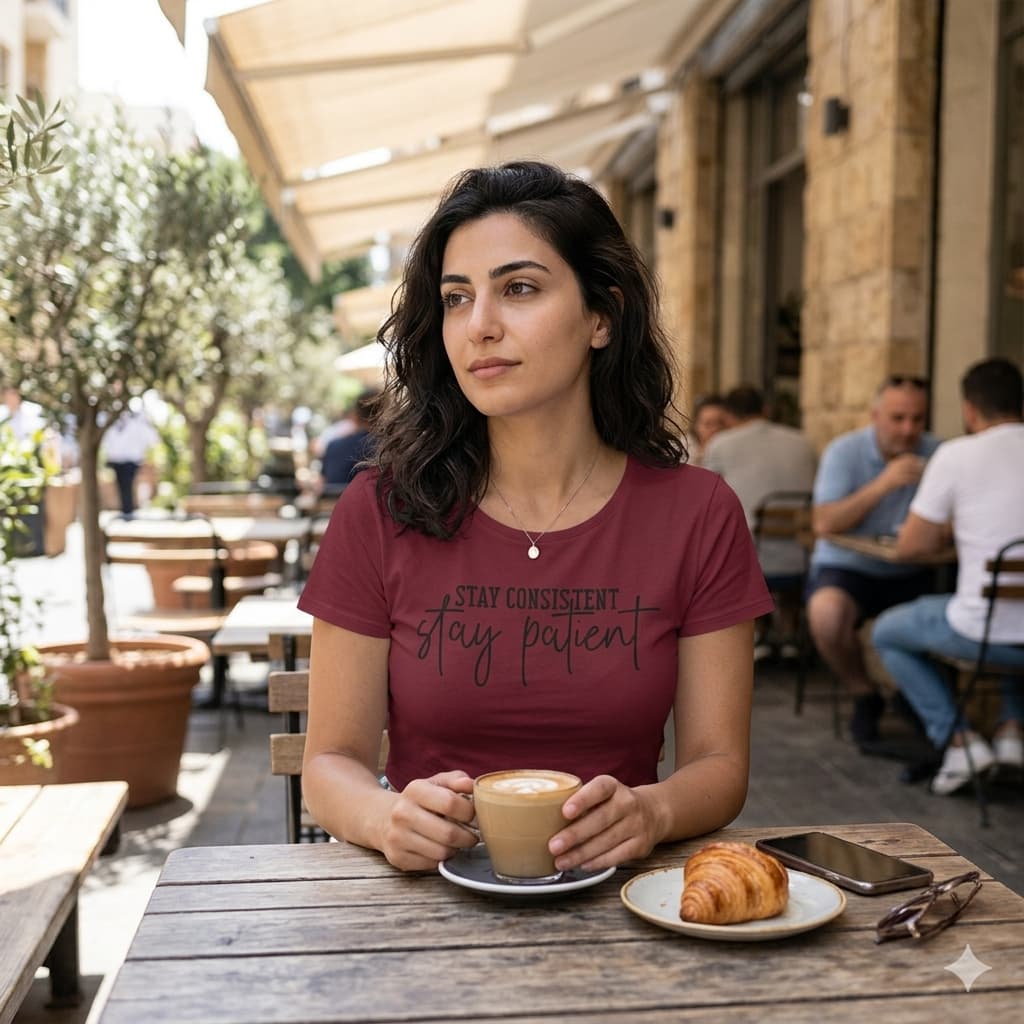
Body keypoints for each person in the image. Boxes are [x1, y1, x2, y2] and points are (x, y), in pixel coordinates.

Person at [298, 160, 773, 873]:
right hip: (427, 909)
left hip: (623, 906)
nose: (480, 326)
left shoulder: (698, 513)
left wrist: (655, 810)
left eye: (518, 289)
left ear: (601, 317)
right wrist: (383, 815)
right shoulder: (380, 510)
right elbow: (331, 761)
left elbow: (718, 763)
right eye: (457, 299)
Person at [872, 358, 1024, 794]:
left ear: (970, 410)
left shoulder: (955, 454)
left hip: (982, 633)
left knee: (888, 631)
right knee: (1010, 610)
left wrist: (956, 531)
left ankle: (960, 740)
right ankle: (1013, 733)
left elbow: (911, 546)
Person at [807, 377, 941, 745]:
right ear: (875, 416)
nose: (909, 429)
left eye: (917, 419)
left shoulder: (938, 452)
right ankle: (864, 693)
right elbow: (824, 523)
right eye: (898, 418)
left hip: (914, 567)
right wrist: (884, 483)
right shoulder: (844, 452)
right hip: (849, 565)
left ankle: (914, 696)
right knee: (827, 615)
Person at [703, 385, 817, 658]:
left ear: (729, 416)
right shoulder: (803, 442)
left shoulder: (721, 444)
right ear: (766, 411)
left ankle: (757, 632)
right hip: (803, 559)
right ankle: (789, 631)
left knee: (729, 537)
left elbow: (705, 501)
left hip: (749, 565)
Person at [101, 399, 159, 518]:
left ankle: (129, 510)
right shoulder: (114, 421)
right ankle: (127, 510)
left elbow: (151, 439)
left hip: (131, 459)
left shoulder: (136, 421)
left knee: (128, 484)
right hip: (118, 459)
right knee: (123, 485)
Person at [319, 388, 379, 492]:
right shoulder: (386, 449)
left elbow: (324, 481)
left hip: (335, 505)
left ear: (355, 415)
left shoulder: (333, 446)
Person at [688, 393, 727, 466]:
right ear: (696, 426)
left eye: (721, 423)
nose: (715, 429)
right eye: (708, 424)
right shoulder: (685, 451)